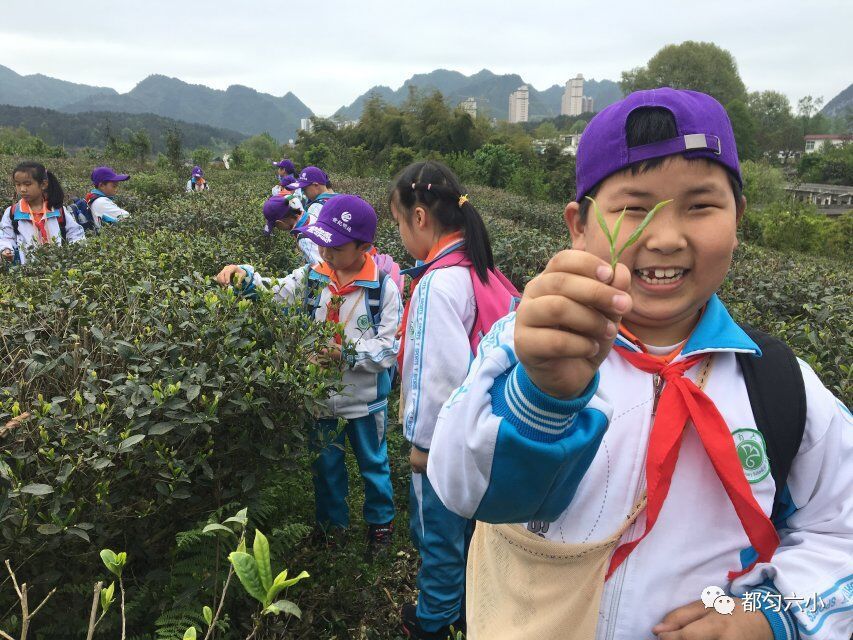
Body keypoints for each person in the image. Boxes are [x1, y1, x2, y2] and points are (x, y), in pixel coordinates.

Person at [426, 89, 853, 640]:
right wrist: (542, 396)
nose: (666, 238)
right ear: (579, 224)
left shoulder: (776, 383)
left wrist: (769, 616)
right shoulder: (525, 343)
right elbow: (463, 490)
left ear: (738, 217)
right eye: (634, 208)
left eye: (701, 205)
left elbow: (840, 534)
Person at [216, 194, 401, 555]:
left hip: (366, 400)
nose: (326, 253)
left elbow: (387, 348)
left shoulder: (382, 289)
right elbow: (273, 292)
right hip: (320, 398)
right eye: (322, 242)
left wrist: (346, 355)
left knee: (374, 465)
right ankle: (332, 528)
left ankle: (380, 524)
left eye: (336, 246)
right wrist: (245, 276)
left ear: (364, 246)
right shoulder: (312, 277)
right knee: (326, 467)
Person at [389, 160, 519, 640]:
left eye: (399, 223)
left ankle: (433, 623)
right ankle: (469, 611)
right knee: (471, 535)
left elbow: (434, 378)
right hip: (489, 437)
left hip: (450, 446)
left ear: (420, 218)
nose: (401, 233)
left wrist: (423, 447)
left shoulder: (438, 284)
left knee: (438, 539)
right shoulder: (481, 269)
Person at [1, 161, 84, 265]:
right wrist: (6, 249)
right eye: (18, 184)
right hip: (25, 272)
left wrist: (72, 253)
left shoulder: (58, 211)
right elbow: (6, 236)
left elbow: (76, 234)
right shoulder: (12, 212)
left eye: (27, 184)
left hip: (58, 270)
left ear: (43, 184)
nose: (22, 189)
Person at [261, 194, 321, 266]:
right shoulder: (311, 216)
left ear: (279, 223)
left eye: (275, 226)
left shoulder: (304, 239)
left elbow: (321, 268)